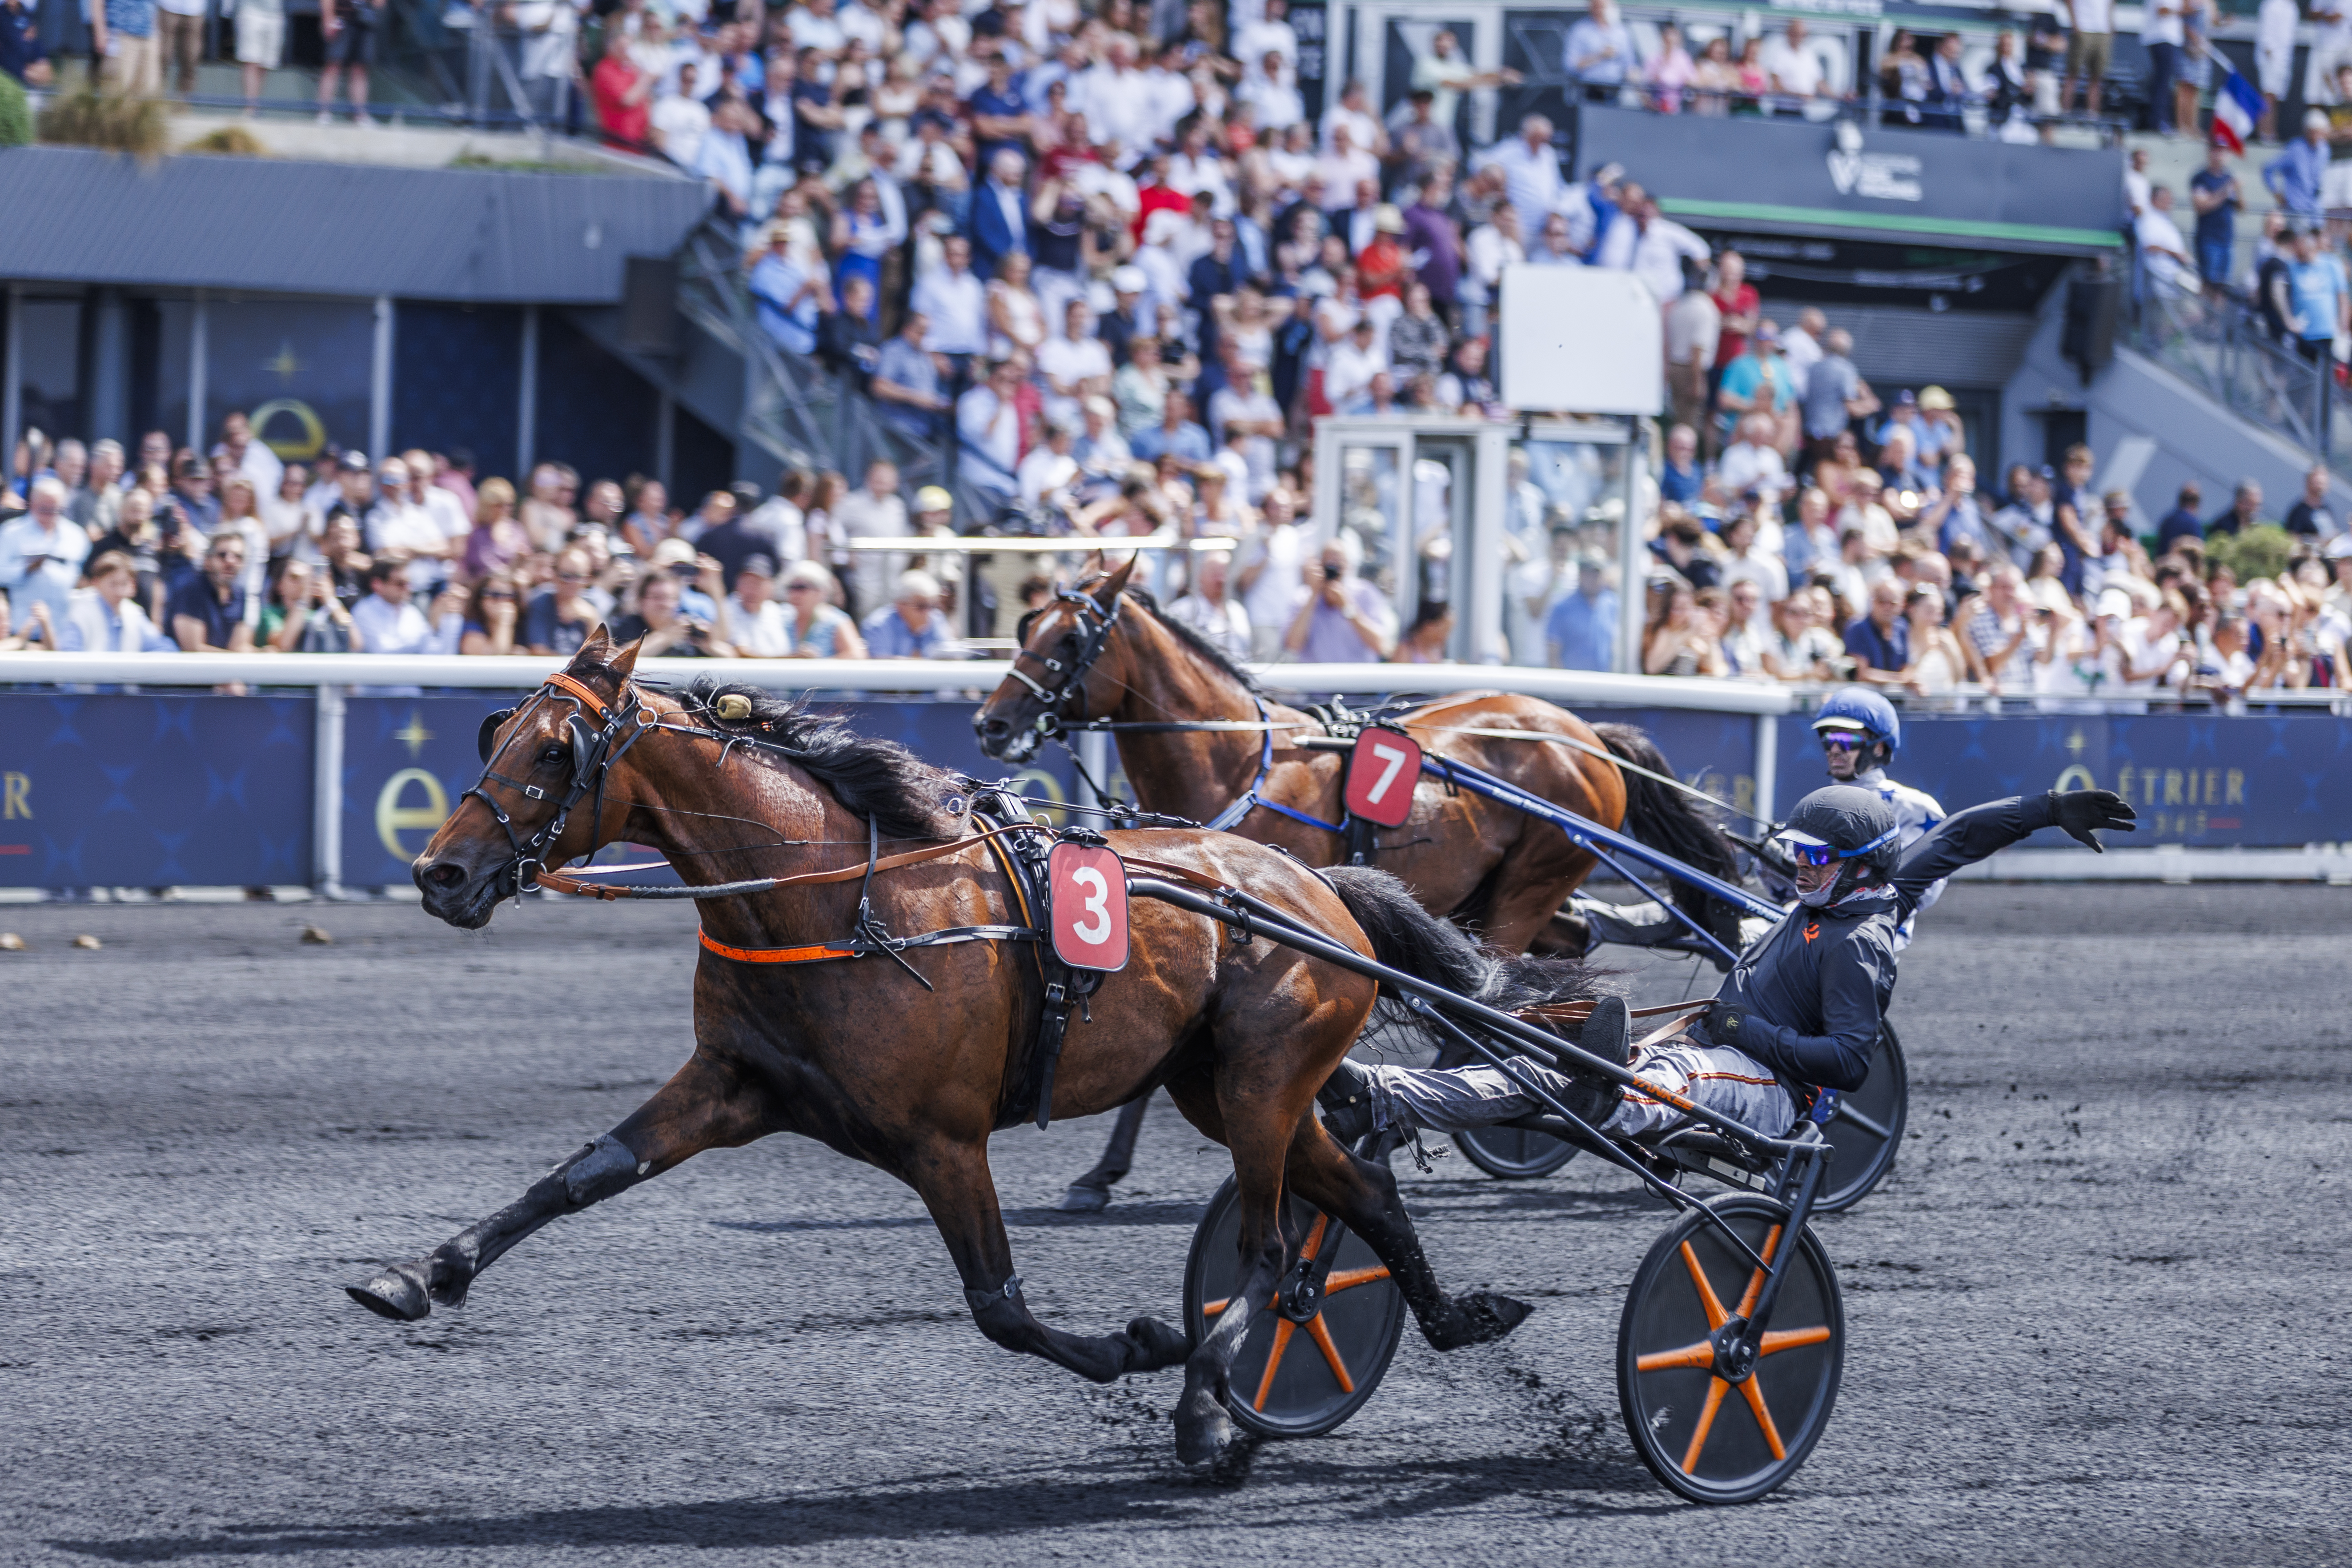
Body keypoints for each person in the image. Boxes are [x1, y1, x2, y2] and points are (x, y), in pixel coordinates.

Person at [1319, 784, 2137, 1152]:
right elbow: (1957, 834)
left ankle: (1419, 1094)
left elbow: (1851, 1062)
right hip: (1710, 1044)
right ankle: (1393, 1095)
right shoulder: (1848, 896)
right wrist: (2046, 810)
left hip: (1770, 1090)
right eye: (1797, 853)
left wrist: (1755, 1029)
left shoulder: (1861, 940)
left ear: (1858, 866)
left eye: (1817, 858)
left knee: (1623, 1089)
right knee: (1552, 1062)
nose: (1799, 867)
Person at [1282, 534, 1395, 661]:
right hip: (1318, 679)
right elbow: (1292, 646)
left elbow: (1381, 646)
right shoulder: (1303, 597)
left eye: (1337, 567)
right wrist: (1314, 595)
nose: (1332, 574)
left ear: (1347, 566)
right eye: (1328, 567)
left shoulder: (1365, 593)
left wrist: (1347, 608)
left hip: (1355, 678)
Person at [0, 477, 91, 633]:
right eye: (44, 509)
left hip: (62, 630)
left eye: (55, 510)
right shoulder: (11, 532)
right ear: (33, 504)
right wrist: (25, 569)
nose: (50, 515)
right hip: (23, 629)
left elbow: (84, 576)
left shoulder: (77, 535)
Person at [57, 551, 174, 652]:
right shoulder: (79, 609)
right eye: (113, 584)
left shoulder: (133, 612)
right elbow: (69, 653)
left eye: (124, 584)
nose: (119, 591)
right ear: (96, 582)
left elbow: (164, 647)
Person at [169, 532, 258, 653]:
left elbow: (238, 647)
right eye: (223, 555)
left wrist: (263, 654)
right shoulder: (191, 590)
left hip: (221, 669)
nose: (230, 561)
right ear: (208, 561)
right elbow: (194, 650)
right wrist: (235, 658)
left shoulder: (240, 595)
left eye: (238, 557)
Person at [776, 559, 868, 657]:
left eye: (802, 588)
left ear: (820, 592)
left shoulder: (836, 621)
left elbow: (858, 656)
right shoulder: (779, 616)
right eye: (792, 587)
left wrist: (819, 663)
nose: (796, 594)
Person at [862, 568, 959, 657]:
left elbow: (948, 657)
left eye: (933, 606)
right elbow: (883, 666)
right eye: (922, 606)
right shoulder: (879, 625)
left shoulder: (936, 619)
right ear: (901, 605)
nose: (928, 612)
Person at [1545, 555, 1618, 671]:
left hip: (1605, 683)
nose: (1594, 580)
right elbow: (1553, 654)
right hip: (1574, 684)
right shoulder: (1562, 608)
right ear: (1580, 575)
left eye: (1597, 574)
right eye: (1588, 574)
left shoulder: (1613, 604)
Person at [316, 0, 382, 124]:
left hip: (366, 21)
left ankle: (360, 115)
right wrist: (328, 18)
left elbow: (380, 4)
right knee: (333, 65)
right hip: (341, 18)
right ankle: (323, 113)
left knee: (360, 69)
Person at [2189, 144, 2242, 299]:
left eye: (2224, 151)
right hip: (2209, 239)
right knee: (2208, 283)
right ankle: (2202, 320)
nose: (2221, 155)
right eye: (2217, 150)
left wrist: (2238, 191)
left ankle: (2216, 323)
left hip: (2226, 239)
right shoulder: (2201, 178)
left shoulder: (2229, 177)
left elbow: (2241, 208)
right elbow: (2201, 206)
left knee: (2222, 287)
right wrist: (2226, 191)